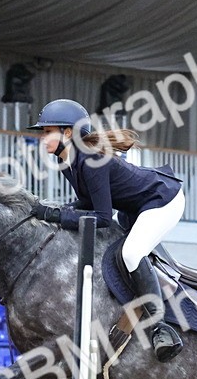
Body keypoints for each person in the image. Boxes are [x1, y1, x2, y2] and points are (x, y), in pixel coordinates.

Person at [28, 98, 184, 362]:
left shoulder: (90, 160)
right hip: (136, 207)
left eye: (47, 132)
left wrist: (55, 214)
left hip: (163, 199)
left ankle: (161, 328)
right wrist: (57, 210)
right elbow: (88, 202)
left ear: (68, 133)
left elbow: (101, 217)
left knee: (132, 254)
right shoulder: (69, 161)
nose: (42, 139)